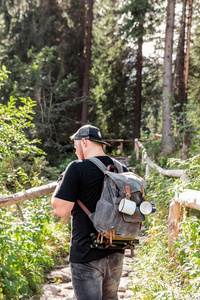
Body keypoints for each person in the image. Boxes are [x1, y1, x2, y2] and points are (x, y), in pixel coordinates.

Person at [51, 124, 128, 300]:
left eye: (75, 144)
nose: (75, 149)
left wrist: (59, 184)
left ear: (84, 141)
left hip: (86, 254)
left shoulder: (76, 168)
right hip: (116, 250)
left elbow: (61, 210)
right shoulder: (122, 170)